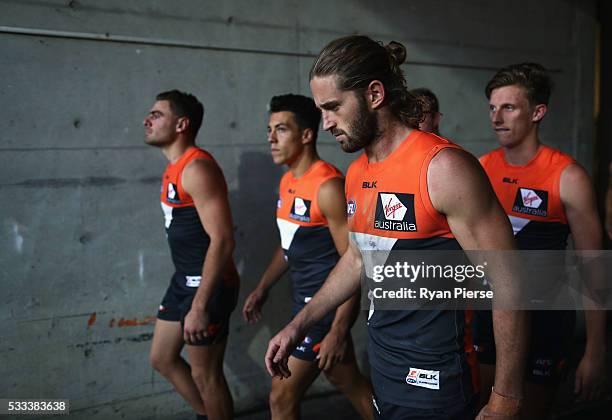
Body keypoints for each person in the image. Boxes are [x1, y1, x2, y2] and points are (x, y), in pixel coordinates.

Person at [265, 35, 529, 420]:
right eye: (322, 111)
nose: (326, 124)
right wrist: (299, 325)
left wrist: (506, 397)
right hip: (385, 369)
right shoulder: (357, 172)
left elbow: (510, 282)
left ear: (373, 94)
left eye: (334, 107)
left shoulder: (443, 168)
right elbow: (357, 260)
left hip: (438, 381)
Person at [474, 63, 606, 418]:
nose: (496, 118)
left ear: (538, 112)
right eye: (492, 108)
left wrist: (595, 350)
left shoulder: (567, 176)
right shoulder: (480, 169)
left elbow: (594, 266)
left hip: (545, 320)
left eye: (509, 107)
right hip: (489, 317)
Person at [242, 94, 373, 420]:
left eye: (281, 129)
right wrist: (263, 287)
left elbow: (355, 264)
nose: (271, 138)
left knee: (281, 398)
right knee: (349, 382)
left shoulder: (328, 187)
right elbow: (289, 246)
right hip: (304, 306)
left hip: (323, 311)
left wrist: (338, 331)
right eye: (269, 130)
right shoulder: (288, 180)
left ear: (306, 135)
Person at [144, 90, 239, 420]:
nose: (147, 120)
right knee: (161, 357)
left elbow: (224, 240)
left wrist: (200, 305)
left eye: (157, 114)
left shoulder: (197, 168)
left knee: (206, 375)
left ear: (181, 124)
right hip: (182, 280)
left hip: (208, 288)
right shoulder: (174, 168)